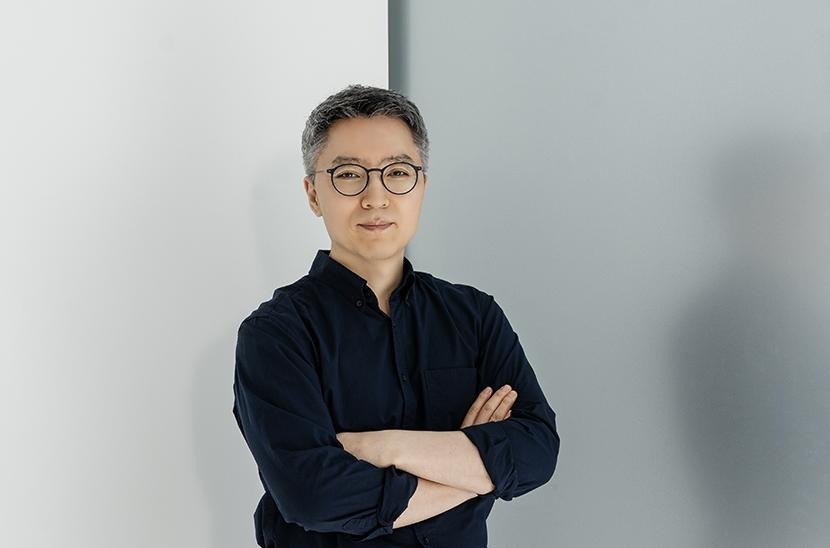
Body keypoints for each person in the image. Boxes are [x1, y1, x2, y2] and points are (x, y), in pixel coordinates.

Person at [232, 84, 560, 547]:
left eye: (398, 172)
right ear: (312, 193)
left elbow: (537, 452)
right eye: (348, 175)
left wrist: (385, 447)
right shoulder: (276, 334)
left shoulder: (474, 315)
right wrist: (470, 465)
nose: (375, 197)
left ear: (421, 185)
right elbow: (314, 496)